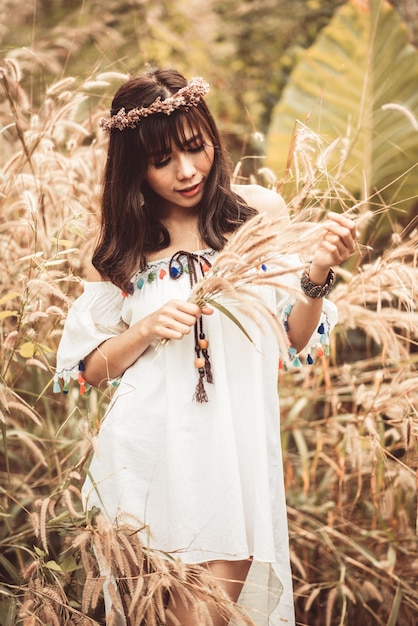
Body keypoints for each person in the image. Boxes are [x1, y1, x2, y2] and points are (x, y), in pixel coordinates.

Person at [55, 68, 356, 625]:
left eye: (196, 148)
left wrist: (318, 272)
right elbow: (86, 370)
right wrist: (145, 329)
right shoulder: (119, 248)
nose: (187, 171)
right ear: (134, 168)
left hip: (234, 461)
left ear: (212, 139)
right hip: (147, 460)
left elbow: (294, 339)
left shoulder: (258, 214)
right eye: (162, 160)